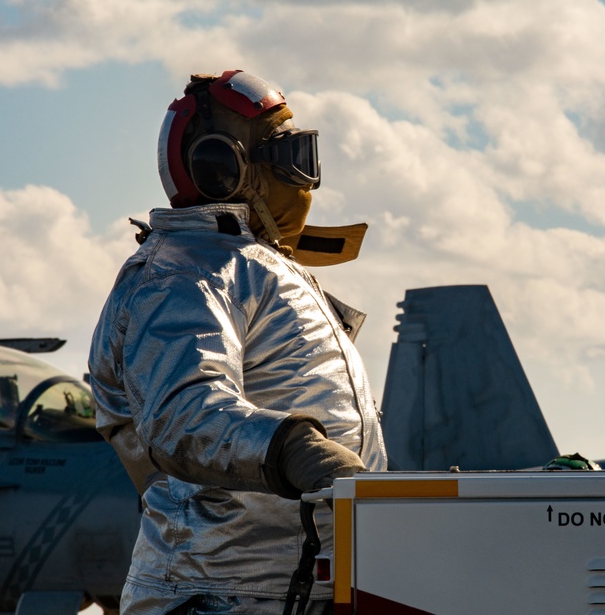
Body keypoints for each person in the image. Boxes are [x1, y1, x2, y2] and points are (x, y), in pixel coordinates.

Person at [88, 70, 387, 615]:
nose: (302, 179)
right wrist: (299, 451)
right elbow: (183, 414)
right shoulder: (183, 279)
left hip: (285, 589)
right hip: (222, 596)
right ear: (222, 167)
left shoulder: (247, 265)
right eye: (286, 156)